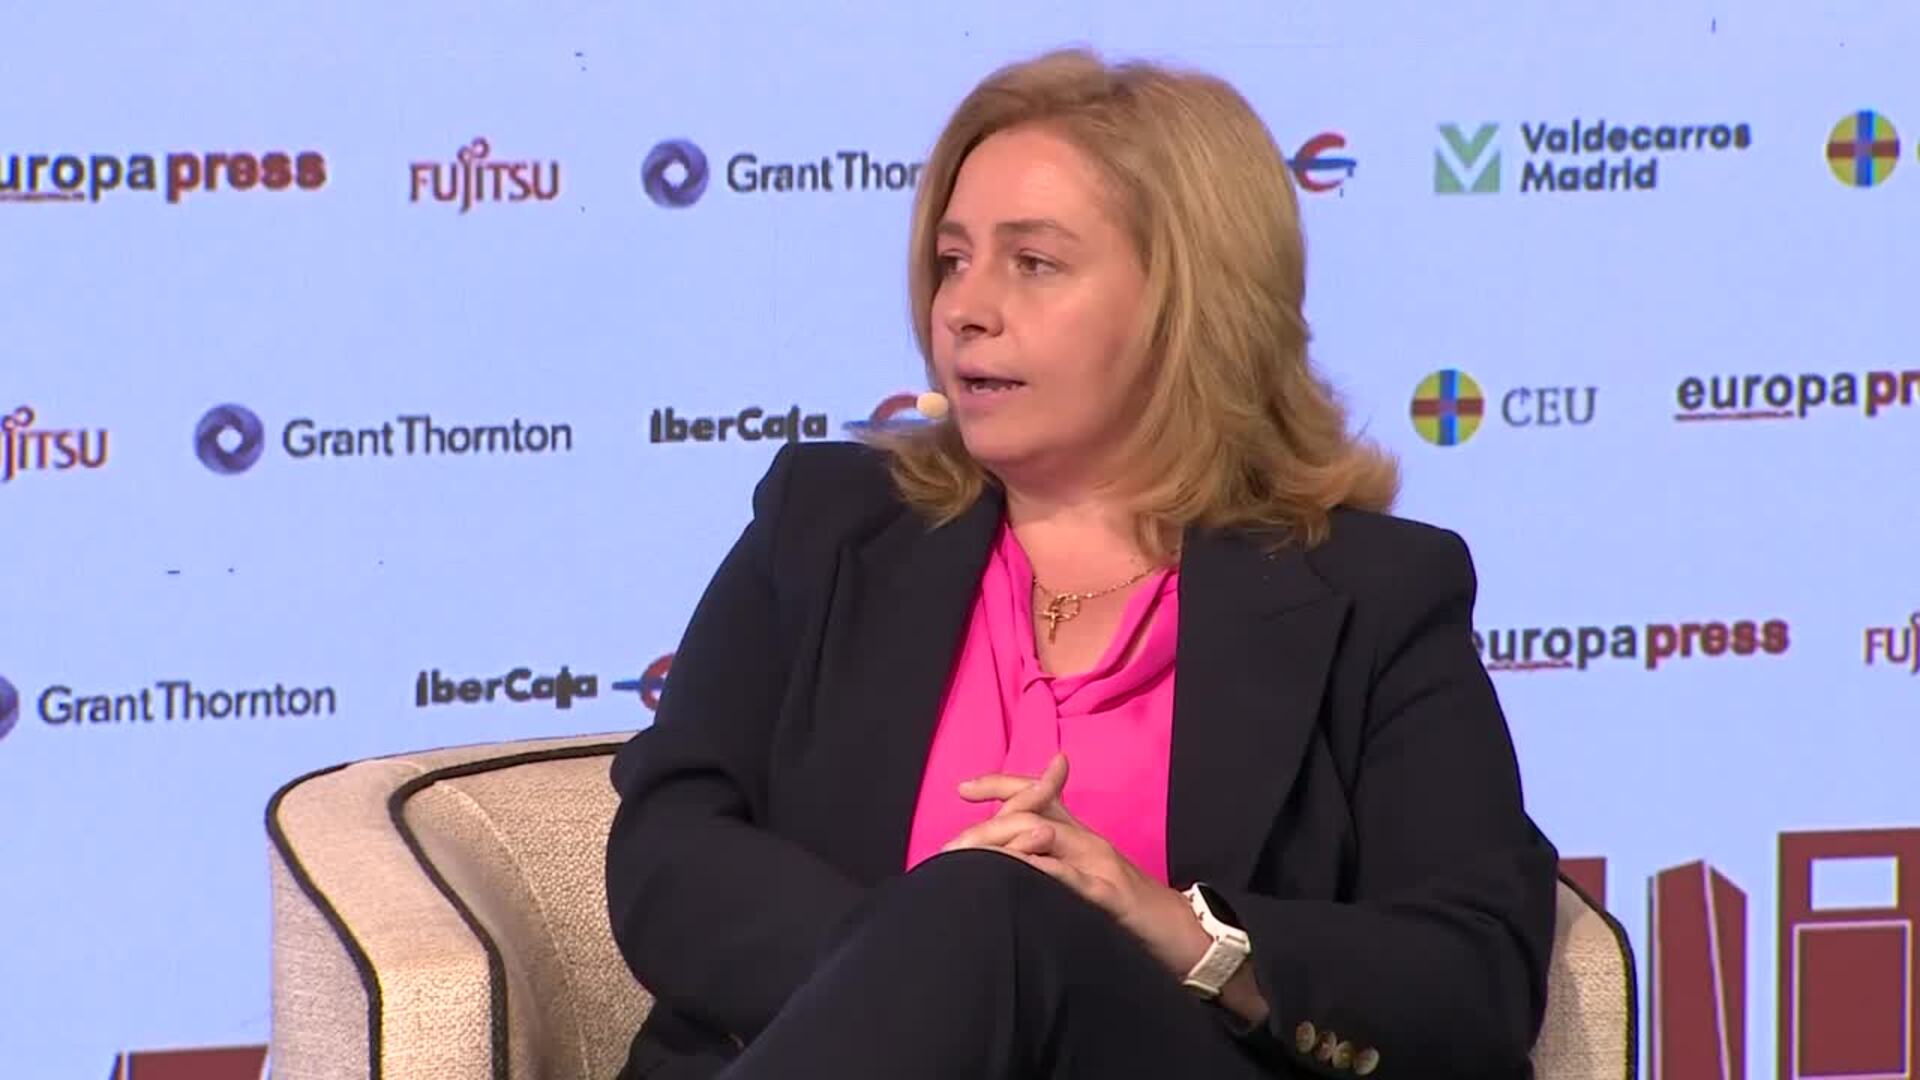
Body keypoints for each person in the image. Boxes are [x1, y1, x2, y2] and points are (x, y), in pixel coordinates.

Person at [605, 46, 1558, 1080]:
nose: (964, 308)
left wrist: (1184, 933)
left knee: (992, 909)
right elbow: (669, 849)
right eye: (953, 260)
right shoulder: (828, 525)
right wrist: (929, 966)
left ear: (1188, 303)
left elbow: (1476, 973)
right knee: (979, 912)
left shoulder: (1373, 595)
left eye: (1033, 263)